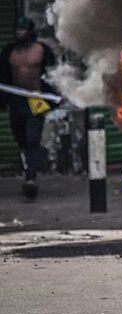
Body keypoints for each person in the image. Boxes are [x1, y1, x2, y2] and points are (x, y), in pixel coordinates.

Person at [0, 18, 57, 198]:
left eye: (23, 30)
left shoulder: (41, 51)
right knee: (21, 139)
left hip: (35, 99)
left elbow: (53, 74)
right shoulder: (10, 52)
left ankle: (31, 179)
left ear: (30, 32)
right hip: (16, 100)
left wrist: (54, 97)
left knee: (33, 139)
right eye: (18, 29)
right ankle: (28, 170)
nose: (19, 33)